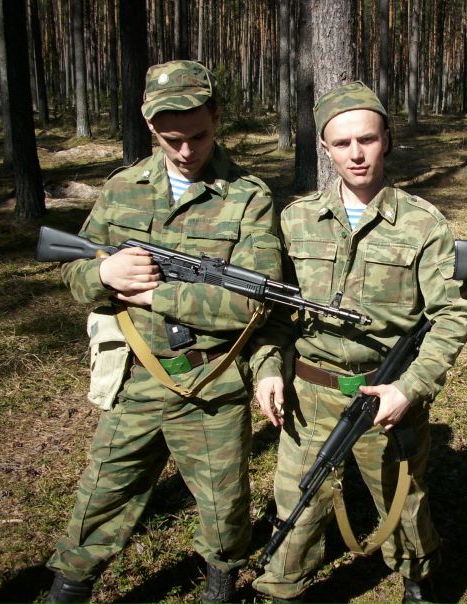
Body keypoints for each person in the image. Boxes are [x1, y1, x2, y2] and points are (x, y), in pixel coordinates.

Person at [45, 60, 283, 604]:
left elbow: (252, 303)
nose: (186, 150)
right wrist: (103, 275)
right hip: (136, 378)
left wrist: (156, 295)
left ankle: (219, 586)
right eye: (171, 139)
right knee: (102, 494)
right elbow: (73, 267)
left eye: (198, 135)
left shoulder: (248, 196)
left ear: (216, 118)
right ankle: (69, 587)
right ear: (149, 125)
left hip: (210, 383)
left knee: (223, 507)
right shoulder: (122, 189)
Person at [253, 81, 467, 604]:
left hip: (385, 393)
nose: (356, 153)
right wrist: (267, 367)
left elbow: (450, 315)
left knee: (402, 503)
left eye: (367, 139)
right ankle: (282, 588)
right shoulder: (295, 219)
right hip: (309, 393)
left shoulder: (423, 224)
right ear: (325, 149)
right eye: (342, 142)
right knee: (298, 502)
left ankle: (418, 581)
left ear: (386, 140)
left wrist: (409, 388)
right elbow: (276, 312)